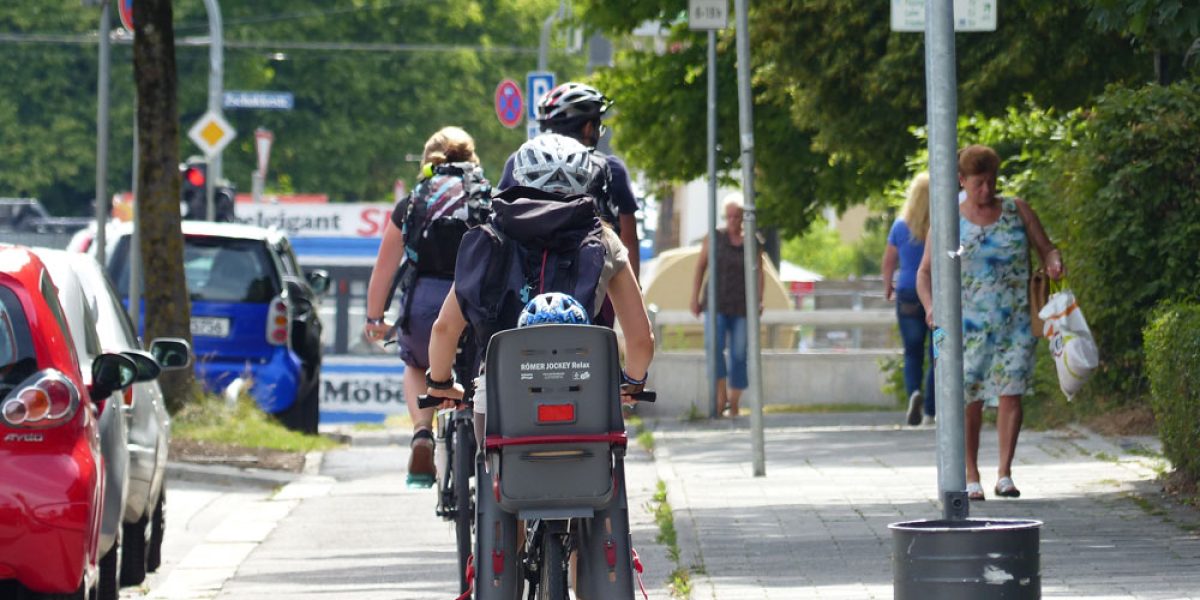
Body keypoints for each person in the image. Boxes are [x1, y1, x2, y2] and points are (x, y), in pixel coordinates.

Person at [426, 132, 653, 405]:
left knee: (490, 439)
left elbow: (444, 328)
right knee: (608, 442)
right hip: (584, 384)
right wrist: (633, 383)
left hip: (503, 386)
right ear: (586, 180)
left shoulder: (491, 236)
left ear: (520, 176)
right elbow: (640, 338)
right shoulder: (604, 239)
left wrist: (440, 384)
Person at [916, 144, 1064, 501]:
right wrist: (931, 307)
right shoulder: (948, 218)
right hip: (963, 327)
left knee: (1011, 392)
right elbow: (924, 273)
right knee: (968, 399)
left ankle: (1004, 473)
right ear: (961, 180)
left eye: (991, 182)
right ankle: (970, 474)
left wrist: (1055, 261)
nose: (986, 191)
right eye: (978, 184)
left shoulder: (1017, 210)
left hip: (1014, 321)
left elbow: (1047, 248)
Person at [363, 126, 490, 488]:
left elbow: (384, 268)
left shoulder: (411, 203)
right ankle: (491, 450)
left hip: (425, 305)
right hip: (474, 303)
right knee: (484, 369)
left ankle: (422, 431)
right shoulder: (488, 197)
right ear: (472, 159)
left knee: (417, 363)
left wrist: (375, 318)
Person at [498, 81, 641, 281]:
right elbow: (628, 237)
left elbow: (499, 220)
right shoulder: (611, 168)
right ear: (588, 127)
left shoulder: (519, 162)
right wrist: (636, 290)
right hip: (595, 283)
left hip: (527, 282)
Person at [688, 194, 764, 418]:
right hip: (715, 303)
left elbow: (760, 272)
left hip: (742, 306)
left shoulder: (753, 241)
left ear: (743, 218)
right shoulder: (714, 238)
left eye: (737, 216)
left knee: (740, 352)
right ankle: (721, 397)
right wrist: (694, 297)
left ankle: (735, 402)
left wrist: (759, 299)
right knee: (714, 346)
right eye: (729, 216)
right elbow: (700, 267)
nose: (733, 220)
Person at [883, 172, 936, 427]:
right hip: (936, 293)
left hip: (907, 292)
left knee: (912, 352)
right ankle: (931, 411)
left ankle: (914, 391)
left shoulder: (900, 225)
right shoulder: (941, 224)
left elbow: (889, 260)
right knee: (939, 351)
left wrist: (887, 285)